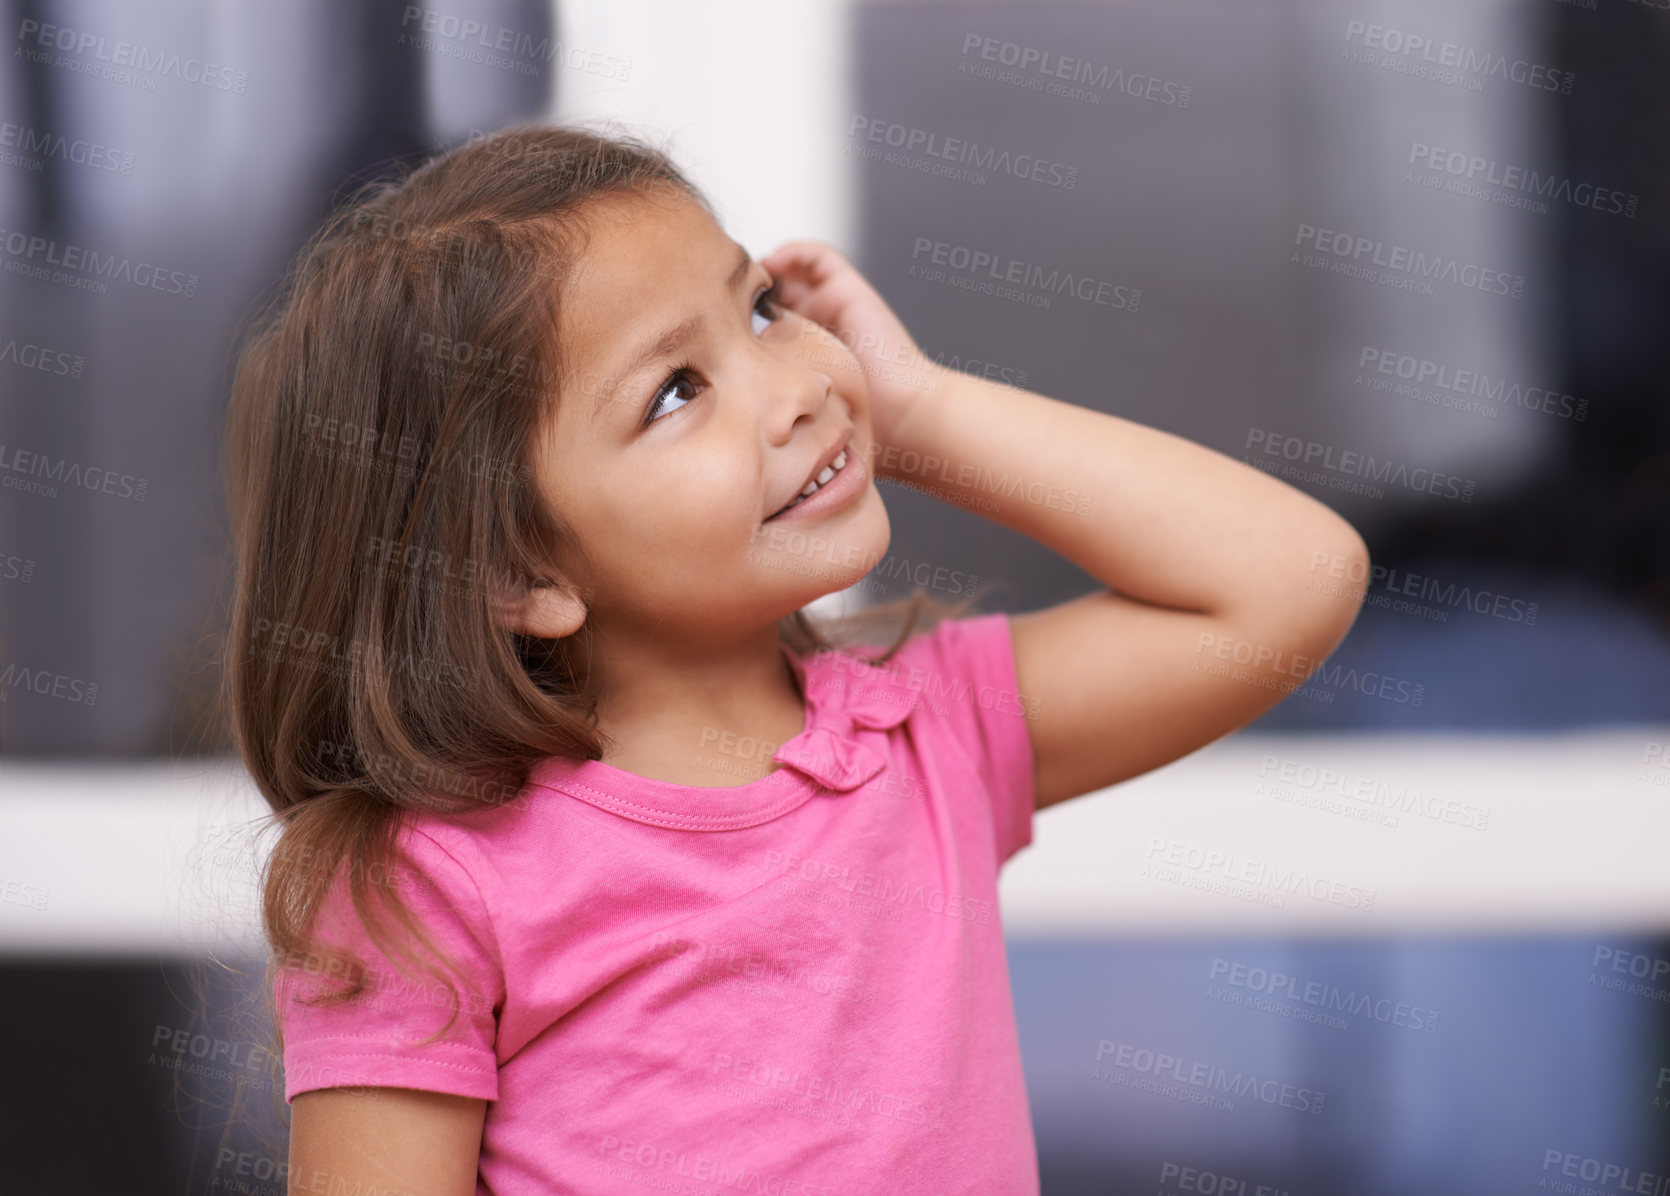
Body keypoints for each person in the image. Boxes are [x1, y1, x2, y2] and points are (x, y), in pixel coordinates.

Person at [221, 120, 1368, 1195]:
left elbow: (1286, 581)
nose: (793, 389)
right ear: (522, 577)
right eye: (677, 390)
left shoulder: (927, 730)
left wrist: (918, 412)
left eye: (761, 309)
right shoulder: (427, 887)